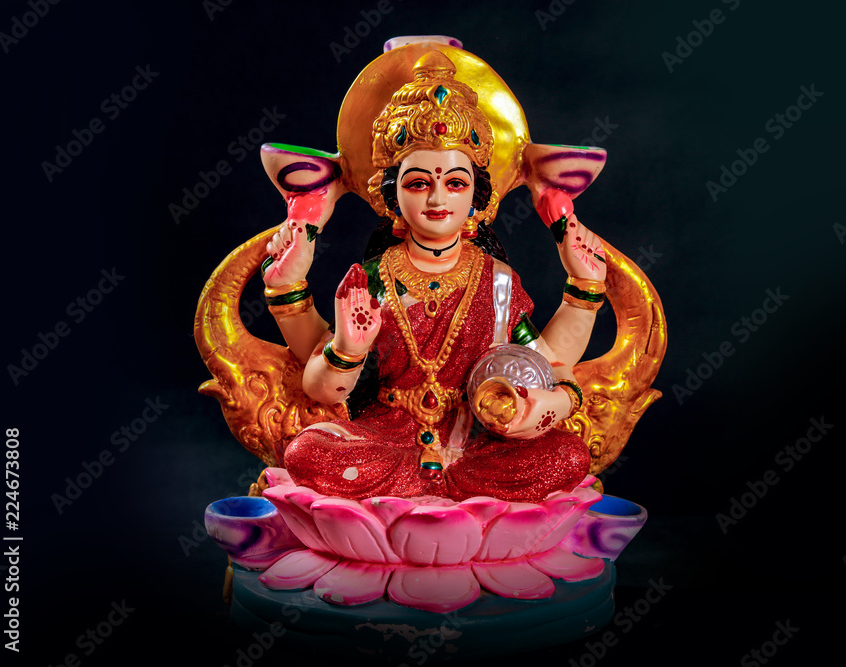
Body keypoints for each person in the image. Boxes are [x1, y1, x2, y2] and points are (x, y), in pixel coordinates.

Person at [259, 52, 607, 503]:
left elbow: (552, 364)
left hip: (477, 439)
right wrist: (348, 349)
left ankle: (419, 497)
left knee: (566, 456)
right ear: (392, 194)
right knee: (309, 453)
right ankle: (452, 497)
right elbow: (322, 390)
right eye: (419, 183)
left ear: (477, 195)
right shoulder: (374, 278)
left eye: (456, 183)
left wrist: (550, 399)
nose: (438, 199)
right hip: (387, 439)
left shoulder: (498, 282)